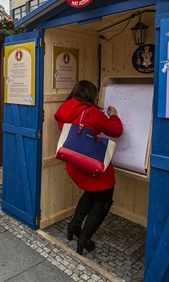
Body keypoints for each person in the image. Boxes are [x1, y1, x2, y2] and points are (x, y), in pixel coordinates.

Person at [54, 80, 123, 255]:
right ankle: (84, 239)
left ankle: (73, 226)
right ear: (91, 95)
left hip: (73, 163)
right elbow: (116, 130)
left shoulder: (66, 108)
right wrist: (114, 115)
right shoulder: (91, 112)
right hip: (91, 164)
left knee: (91, 194)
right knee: (104, 198)